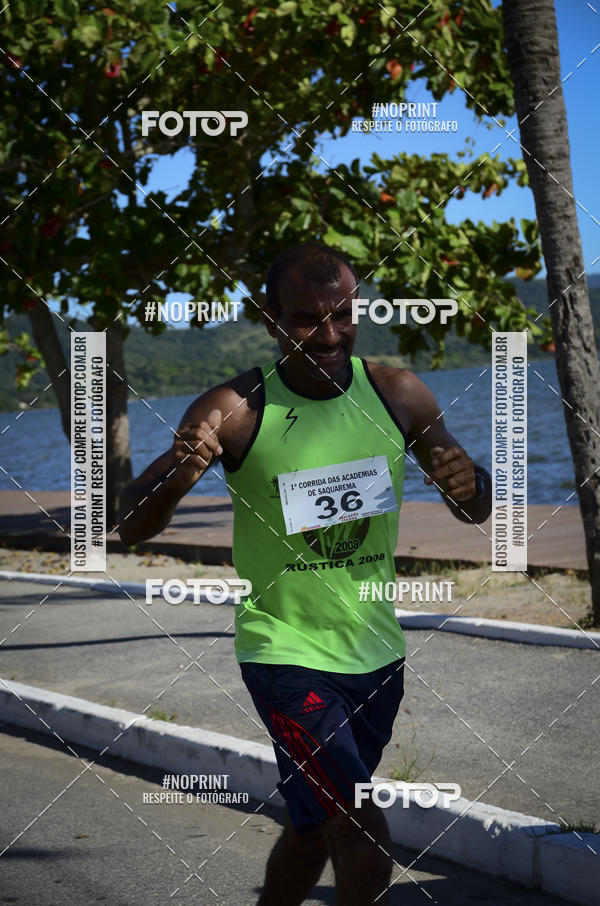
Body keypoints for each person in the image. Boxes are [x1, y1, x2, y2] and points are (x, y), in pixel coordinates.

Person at [118, 243, 492, 906]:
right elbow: (130, 525)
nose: (329, 333)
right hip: (285, 656)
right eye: (304, 318)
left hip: (377, 658)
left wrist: (473, 484)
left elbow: (473, 505)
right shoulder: (235, 409)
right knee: (364, 839)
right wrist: (174, 482)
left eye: (343, 314)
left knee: (312, 828)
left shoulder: (396, 392)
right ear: (268, 318)